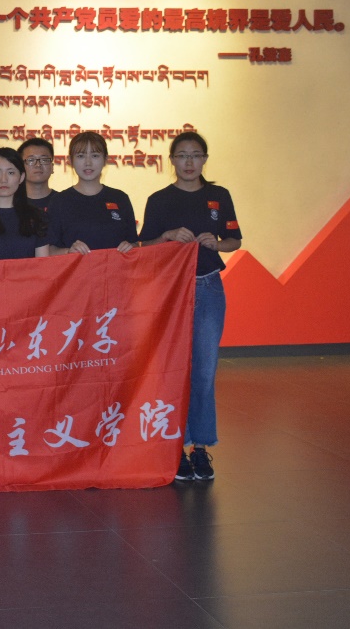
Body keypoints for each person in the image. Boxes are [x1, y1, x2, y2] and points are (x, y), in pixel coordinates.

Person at [140, 131, 242, 483]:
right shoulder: (159, 200)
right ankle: (176, 449)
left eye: (195, 155)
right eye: (182, 155)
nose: (188, 162)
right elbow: (144, 246)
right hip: (170, 292)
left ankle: (200, 447)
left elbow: (234, 240)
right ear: (171, 160)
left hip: (208, 287)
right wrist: (167, 237)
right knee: (173, 370)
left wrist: (217, 243)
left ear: (204, 159)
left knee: (204, 371)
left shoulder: (218, 196)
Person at [48, 132, 138, 255]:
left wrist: (130, 247)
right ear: (70, 160)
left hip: (115, 267)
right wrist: (68, 252)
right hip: (76, 268)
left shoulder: (120, 198)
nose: (88, 163)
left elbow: (135, 243)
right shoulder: (59, 201)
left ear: (105, 159)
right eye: (81, 156)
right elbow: (49, 250)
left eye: (95, 156)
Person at [20, 137, 59, 211]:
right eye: (31, 160)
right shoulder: (11, 203)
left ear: (52, 167)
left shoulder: (63, 201)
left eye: (44, 160)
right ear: (20, 167)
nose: (38, 165)